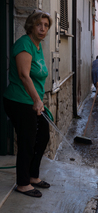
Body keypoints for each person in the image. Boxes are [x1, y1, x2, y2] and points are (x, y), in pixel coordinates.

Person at [3, 10, 53, 198]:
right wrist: (37, 100)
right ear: (31, 25)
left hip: (32, 101)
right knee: (27, 140)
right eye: (39, 24)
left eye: (46, 25)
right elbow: (24, 75)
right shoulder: (24, 44)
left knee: (42, 137)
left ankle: (33, 176)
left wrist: (39, 101)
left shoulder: (37, 46)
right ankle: (23, 183)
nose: (42, 28)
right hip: (19, 100)